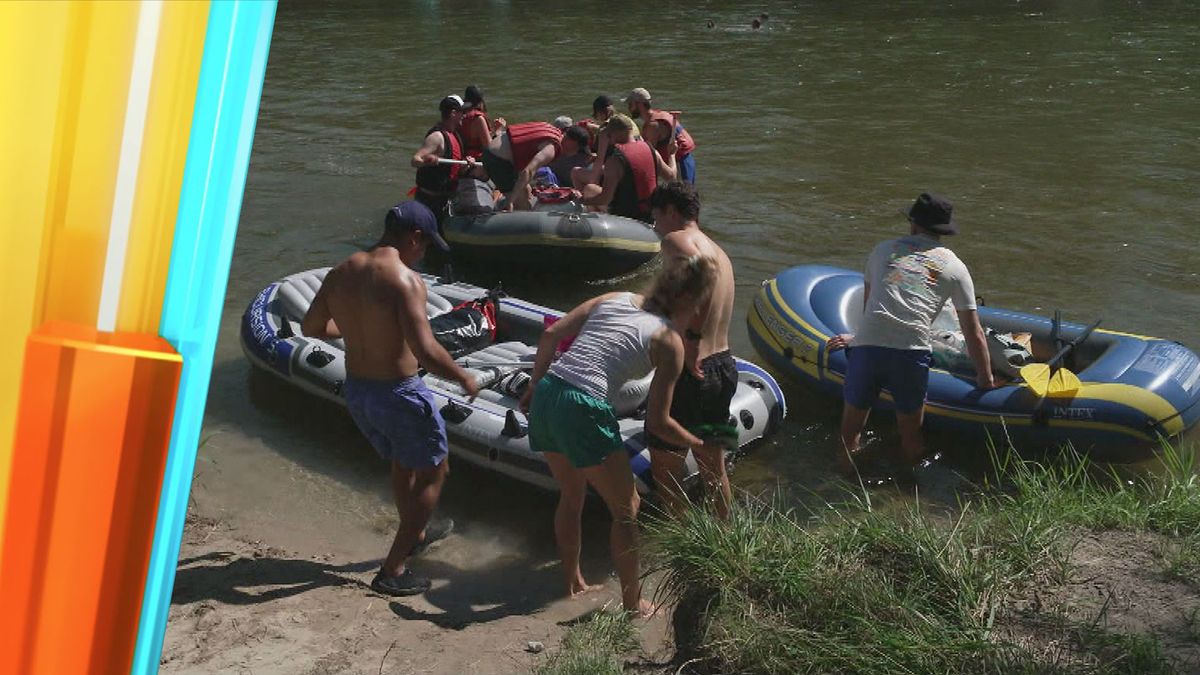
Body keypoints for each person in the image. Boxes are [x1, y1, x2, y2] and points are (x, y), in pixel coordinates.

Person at [519, 256, 719, 616]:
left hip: (549, 392)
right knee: (627, 509)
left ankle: (572, 581)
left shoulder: (613, 298)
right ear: (691, 302)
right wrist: (699, 443)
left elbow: (551, 334)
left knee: (571, 493)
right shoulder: (668, 340)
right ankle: (633, 604)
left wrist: (534, 386)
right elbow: (658, 424)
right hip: (584, 405)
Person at [301, 201, 481, 596]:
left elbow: (312, 326)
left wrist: (353, 328)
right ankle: (394, 569)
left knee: (404, 460)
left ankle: (414, 530)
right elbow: (427, 351)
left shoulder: (342, 270)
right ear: (414, 238)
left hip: (359, 391)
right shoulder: (405, 280)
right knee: (436, 470)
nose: (424, 253)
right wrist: (464, 377)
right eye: (426, 245)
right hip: (398, 392)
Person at [826, 193, 995, 477]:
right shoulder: (955, 267)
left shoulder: (881, 250)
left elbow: (871, 310)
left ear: (913, 224)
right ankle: (909, 495)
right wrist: (986, 380)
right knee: (912, 440)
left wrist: (855, 340)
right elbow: (973, 331)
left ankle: (845, 489)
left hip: (868, 350)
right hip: (911, 352)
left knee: (849, 436)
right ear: (944, 231)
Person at [642, 182, 738, 519]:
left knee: (665, 465)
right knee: (714, 466)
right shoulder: (720, 251)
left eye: (656, 216)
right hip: (724, 365)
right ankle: (723, 540)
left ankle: (682, 539)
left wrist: (693, 340)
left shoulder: (677, 240)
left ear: (670, 211)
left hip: (692, 370)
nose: (655, 226)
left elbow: (699, 281)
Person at [579, 114, 674, 223]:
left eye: (609, 134)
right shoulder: (651, 149)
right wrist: (672, 154)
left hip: (627, 214)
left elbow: (605, 198)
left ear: (616, 133)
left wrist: (582, 200)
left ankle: (600, 227)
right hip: (650, 212)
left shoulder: (615, 160)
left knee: (589, 189)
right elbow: (671, 176)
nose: (609, 137)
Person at [478, 120, 563, 211]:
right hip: (498, 161)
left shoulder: (549, 128)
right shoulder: (551, 148)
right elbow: (528, 171)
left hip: (499, 152)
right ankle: (514, 213)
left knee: (526, 191)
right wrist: (512, 199)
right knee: (521, 203)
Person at [410, 95, 470, 223]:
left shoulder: (455, 135)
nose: (465, 116)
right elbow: (415, 160)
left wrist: (466, 165)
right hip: (429, 201)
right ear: (454, 113)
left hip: (445, 199)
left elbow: (456, 171)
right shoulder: (437, 137)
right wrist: (427, 160)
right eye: (462, 112)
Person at [625, 87, 697, 184]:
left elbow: (648, 156)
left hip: (679, 166)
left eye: (630, 104)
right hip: (687, 162)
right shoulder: (661, 114)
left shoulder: (653, 126)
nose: (629, 108)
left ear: (640, 104)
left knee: (681, 196)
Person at [460, 85, 506, 160]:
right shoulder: (478, 119)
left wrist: (494, 130)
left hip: (465, 156)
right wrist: (498, 131)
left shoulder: (461, 115)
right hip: (477, 159)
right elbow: (490, 148)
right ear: (481, 101)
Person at [547, 125, 593, 189]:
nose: (563, 139)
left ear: (577, 143)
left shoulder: (586, 162)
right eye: (564, 136)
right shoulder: (554, 152)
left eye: (567, 138)